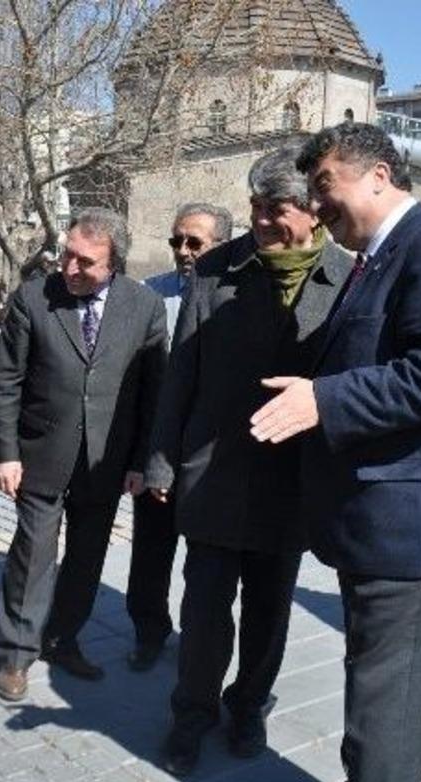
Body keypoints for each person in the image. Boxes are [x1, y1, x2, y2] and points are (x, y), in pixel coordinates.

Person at [250, 122, 421, 782]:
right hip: (382, 527)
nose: (316, 206)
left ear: (379, 175)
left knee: (389, 710)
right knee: (376, 696)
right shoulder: (380, 257)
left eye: (325, 186)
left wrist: (326, 401)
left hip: (419, 532)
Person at [148, 146, 350, 772]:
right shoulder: (213, 271)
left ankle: (249, 707)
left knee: (269, 613)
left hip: (291, 484)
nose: (262, 221)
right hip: (214, 476)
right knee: (204, 612)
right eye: (256, 208)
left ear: (315, 211)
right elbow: (180, 375)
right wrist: (162, 462)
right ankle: (191, 713)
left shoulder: (349, 276)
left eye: (278, 209)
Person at [0, 208, 166, 701]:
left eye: (85, 262)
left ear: (115, 264)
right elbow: (8, 383)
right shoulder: (33, 299)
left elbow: (154, 392)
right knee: (33, 555)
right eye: (67, 255)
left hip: (107, 462)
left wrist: (140, 462)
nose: (70, 268)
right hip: (40, 454)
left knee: (87, 558)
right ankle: (16, 653)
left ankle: (63, 640)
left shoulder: (144, 306)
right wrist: (5, 453)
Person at [126, 202, 231, 674]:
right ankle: (149, 632)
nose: (183, 251)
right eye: (176, 241)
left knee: (208, 564)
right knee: (150, 552)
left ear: (221, 244)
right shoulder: (150, 297)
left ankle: (202, 638)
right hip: (158, 448)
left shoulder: (236, 293)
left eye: (195, 242)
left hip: (210, 455)